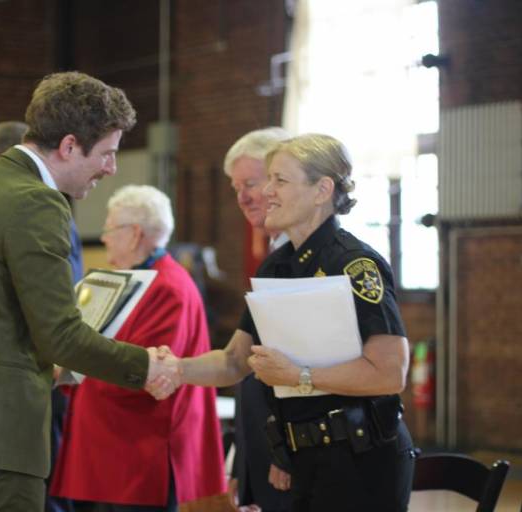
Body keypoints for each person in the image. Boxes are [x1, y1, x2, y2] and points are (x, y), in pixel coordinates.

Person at [0, 71, 180, 511]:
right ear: (68, 146)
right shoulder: (38, 202)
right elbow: (60, 336)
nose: (111, 168)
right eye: (107, 153)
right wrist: (145, 365)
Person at [162, 134, 415, 512]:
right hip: (305, 460)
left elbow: (390, 373)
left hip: (362, 460)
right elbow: (235, 361)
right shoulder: (277, 267)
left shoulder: (354, 264)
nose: (267, 191)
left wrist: (300, 375)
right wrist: (173, 369)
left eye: (279, 180)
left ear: (321, 190)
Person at [51, 185, 226, 511]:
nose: (103, 238)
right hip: (115, 451)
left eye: (108, 229)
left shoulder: (167, 287)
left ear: (134, 234)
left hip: (140, 455)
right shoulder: (139, 279)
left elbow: (153, 374)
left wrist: (73, 368)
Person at [0, 119, 82, 512]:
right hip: (9, 383)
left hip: (40, 377)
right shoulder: (9, 210)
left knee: (43, 495)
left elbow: (56, 305)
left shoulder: (39, 208)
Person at [223, 127, 291, 512]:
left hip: (294, 455)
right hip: (265, 444)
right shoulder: (275, 259)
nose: (243, 197)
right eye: (236, 188)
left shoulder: (322, 262)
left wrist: (285, 456)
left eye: (250, 183)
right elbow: (245, 363)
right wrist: (244, 458)